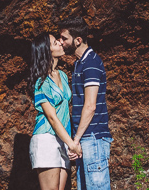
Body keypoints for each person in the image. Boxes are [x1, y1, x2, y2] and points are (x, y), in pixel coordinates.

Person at [59, 18, 111, 190]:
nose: (61, 42)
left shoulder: (91, 63)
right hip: (85, 138)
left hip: (93, 138)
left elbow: (90, 106)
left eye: (64, 38)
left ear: (78, 40)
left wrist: (76, 140)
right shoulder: (78, 65)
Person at [28, 33, 78, 190]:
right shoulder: (41, 81)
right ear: (46, 51)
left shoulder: (62, 75)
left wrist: (68, 142)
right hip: (46, 139)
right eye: (55, 42)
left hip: (62, 140)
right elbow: (51, 117)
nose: (60, 44)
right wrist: (72, 144)